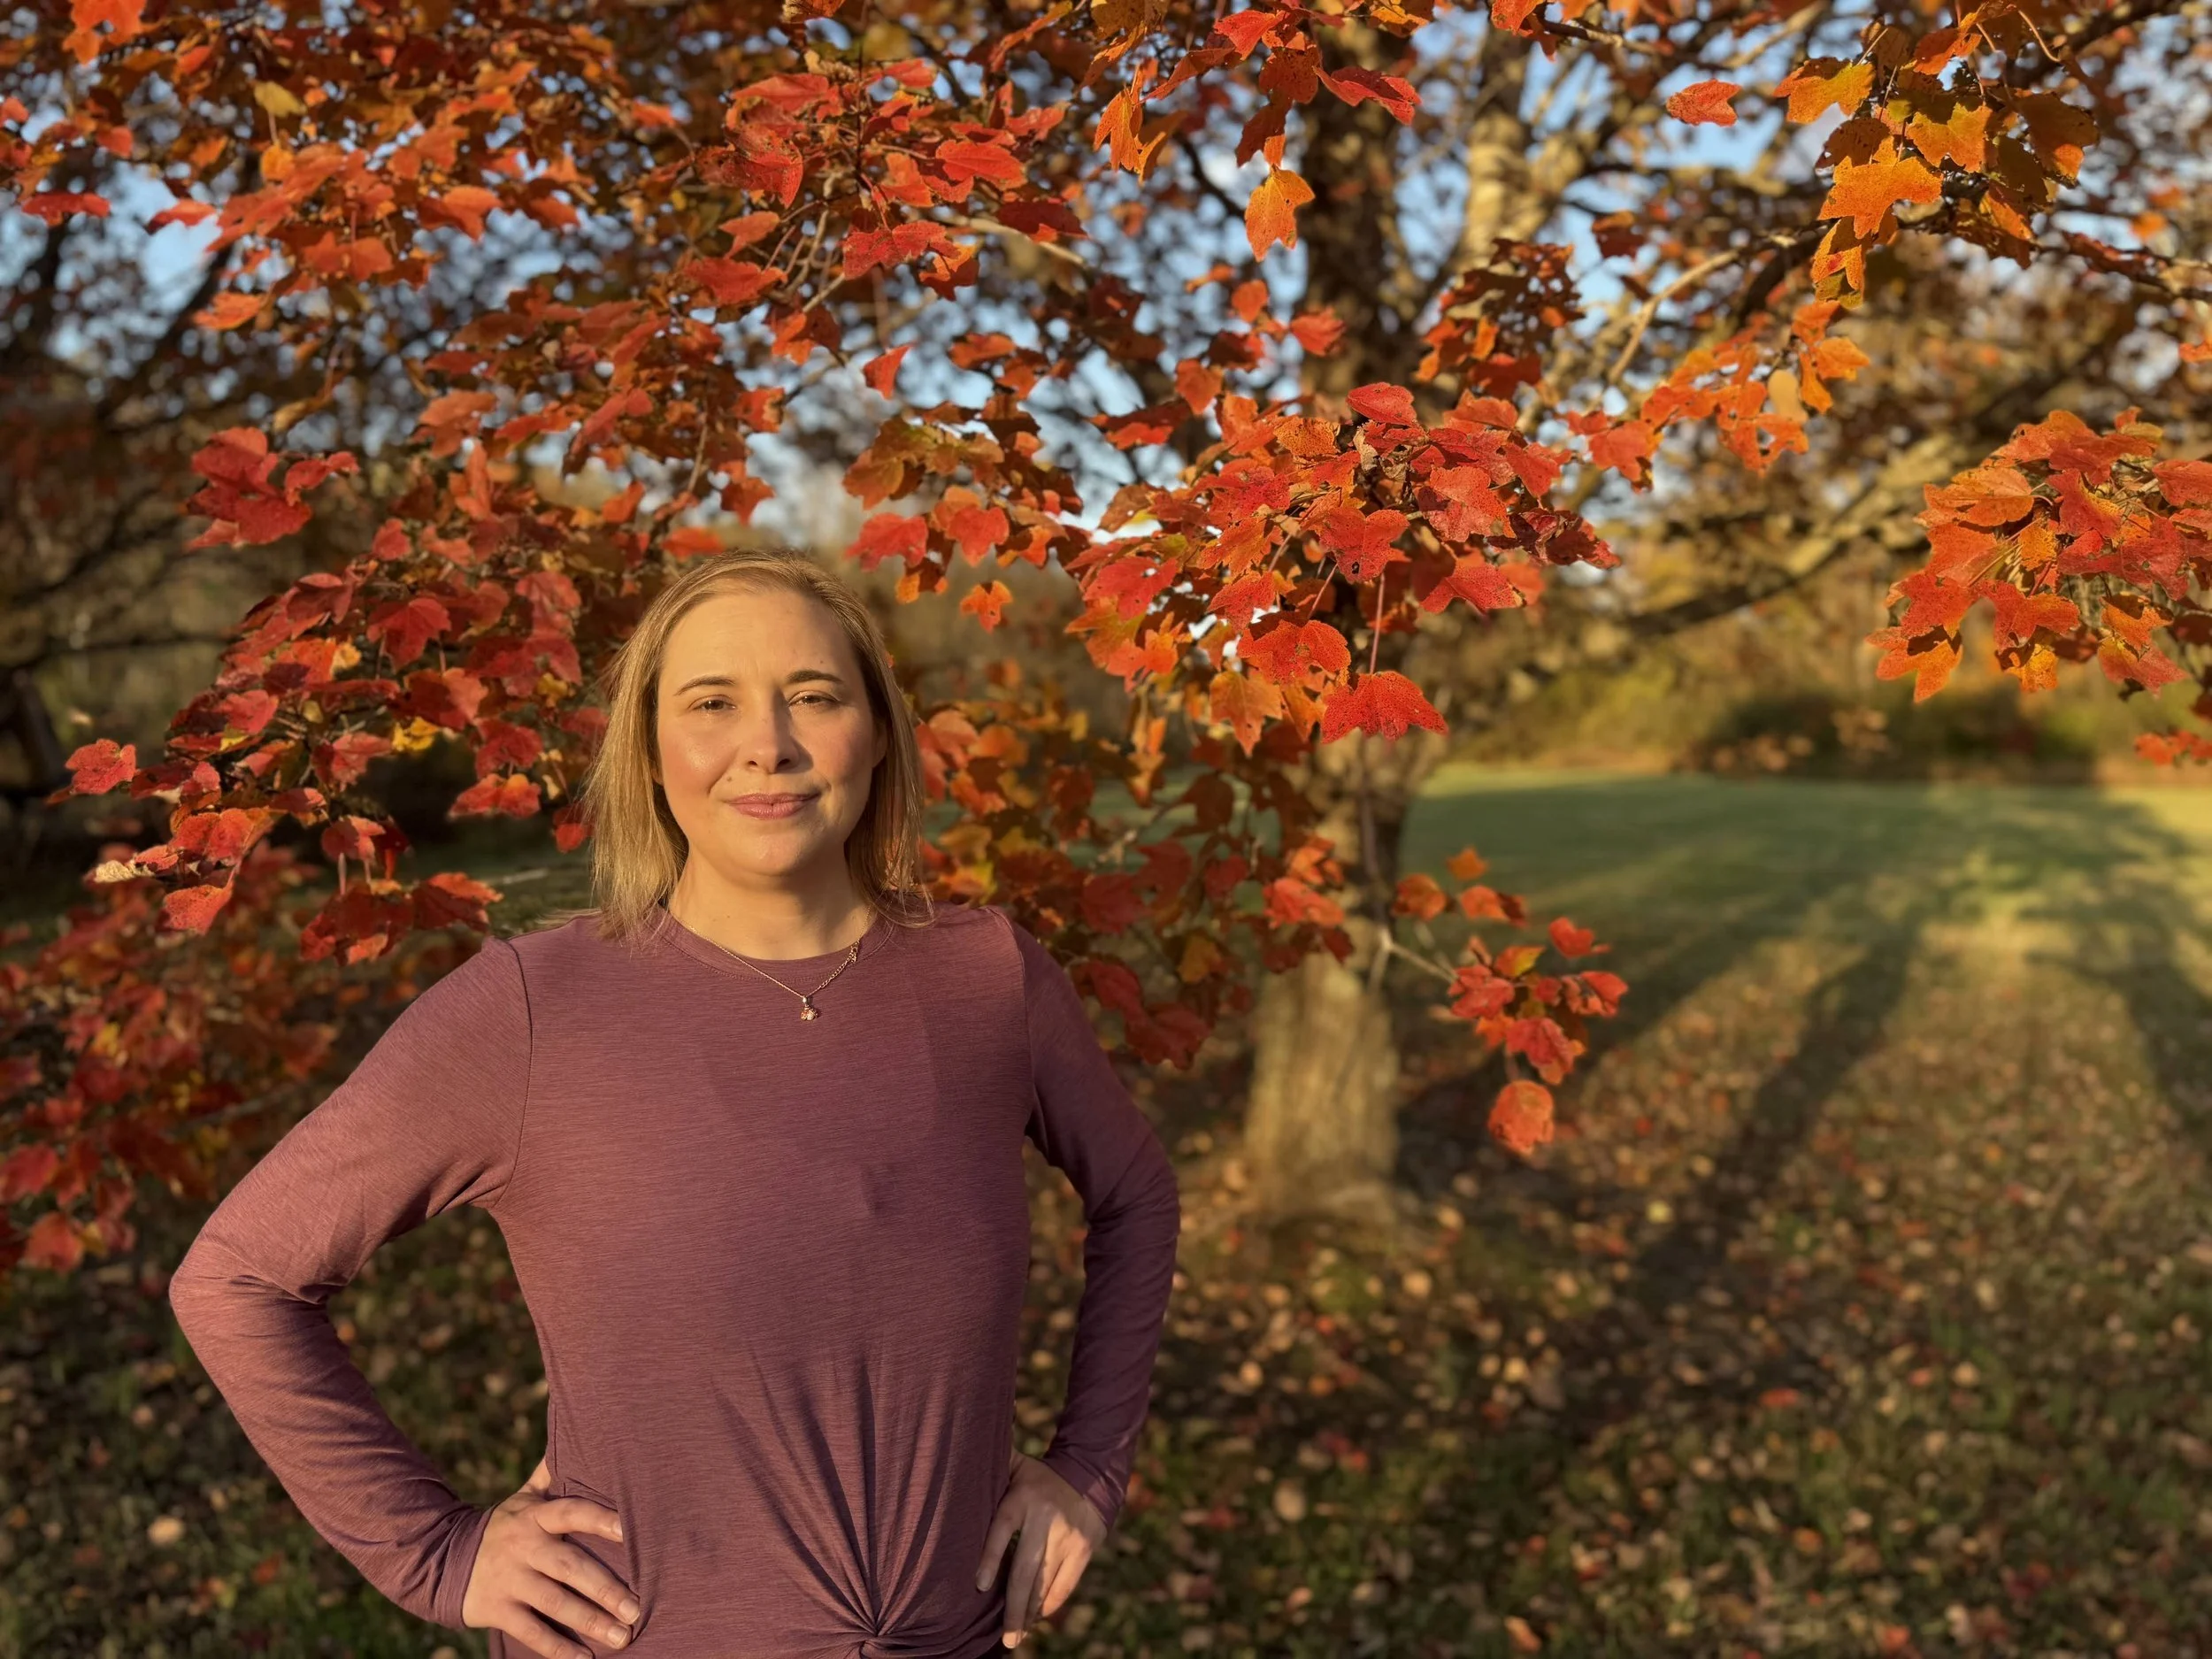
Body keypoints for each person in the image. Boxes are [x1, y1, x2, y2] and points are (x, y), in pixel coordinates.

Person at [167, 549, 1184, 1658]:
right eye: (712, 702)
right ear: (650, 754)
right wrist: (434, 1552)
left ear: (879, 730)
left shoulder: (989, 979)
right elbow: (238, 1278)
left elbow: (1135, 1194)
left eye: (814, 696)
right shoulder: (532, 1009)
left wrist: (1089, 1468)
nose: (770, 745)